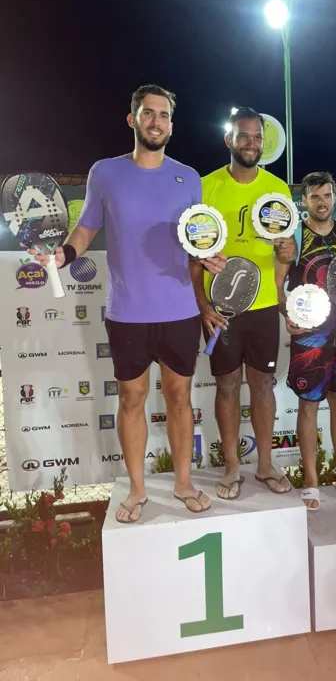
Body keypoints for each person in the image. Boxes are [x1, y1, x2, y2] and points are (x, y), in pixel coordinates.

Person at [29, 84, 225, 523]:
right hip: (128, 313)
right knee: (132, 400)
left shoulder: (188, 177)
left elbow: (198, 239)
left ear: (172, 125)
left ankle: (183, 483)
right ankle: (137, 490)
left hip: (179, 312)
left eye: (164, 115)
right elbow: (86, 229)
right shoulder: (104, 173)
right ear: (132, 119)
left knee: (179, 398)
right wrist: (64, 254)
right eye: (148, 113)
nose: (156, 121)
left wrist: (208, 257)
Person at [189, 106, 297, 500]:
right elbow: (192, 254)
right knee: (228, 385)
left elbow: (288, 254)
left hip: (265, 306)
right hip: (221, 308)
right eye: (243, 136)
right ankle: (233, 467)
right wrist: (202, 304)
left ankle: (265, 464)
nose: (251, 143)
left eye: (256, 137)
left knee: (264, 385)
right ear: (228, 140)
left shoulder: (278, 190)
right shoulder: (205, 188)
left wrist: (288, 249)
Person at [275, 171, 336, 511]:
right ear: (304, 201)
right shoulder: (295, 235)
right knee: (309, 406)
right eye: (314, 196)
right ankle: (311, 481)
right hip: (310, 337)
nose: (322, 202)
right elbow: (277, 285)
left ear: (333, 198)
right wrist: (289, 318)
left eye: (326, 195)